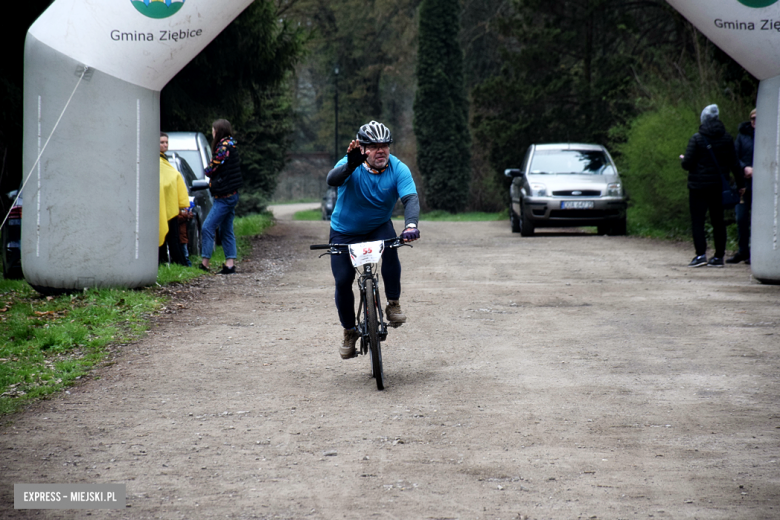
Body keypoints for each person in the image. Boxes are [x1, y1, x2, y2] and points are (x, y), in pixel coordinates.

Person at [326, 120, 420, 359]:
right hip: (344, 230)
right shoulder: (351, 163)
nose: (381, 150)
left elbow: (410, 199)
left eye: (385, 145)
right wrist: (349, 165)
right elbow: (332, 180)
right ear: (363, 149)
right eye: (374, 146)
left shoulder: (398, 168)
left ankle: (394, 303)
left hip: (378, 227)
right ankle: (349, 331)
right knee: (343, 279)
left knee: (391, 248)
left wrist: (410, 226)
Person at [681, 104, 743, 268]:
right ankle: (718, 257)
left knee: (698, 221)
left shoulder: (697, 139)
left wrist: (683, 159)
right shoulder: (727, 139)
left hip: (698, 188)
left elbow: (687, 163)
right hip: (718, 187)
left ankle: (701, 255)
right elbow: (734, 164)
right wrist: (740, 184)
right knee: (718, 221)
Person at [200, 119, 243, 275]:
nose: (212, 133)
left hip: (224, 196)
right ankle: (230, 264)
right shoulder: (232, 144)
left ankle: (204, 264)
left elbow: (212, 169)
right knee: (226, 230)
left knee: (207, 227)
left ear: (218, 131)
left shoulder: (222, 148)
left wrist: (207, 170)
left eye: (213, 130)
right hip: (231, 194)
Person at [727, 108, 755, 264]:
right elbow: (734, 157)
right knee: (741, 217)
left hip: (762, 184)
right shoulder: (742, 137)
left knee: (758, 219)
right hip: (743, 183)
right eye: (752, 118)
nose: (754, 121)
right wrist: (745, 168)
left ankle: (756, 251)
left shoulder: (770, 135)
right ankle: (743, 250)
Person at [159, 132, 189, 266]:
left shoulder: (164, 159)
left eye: (166, 142)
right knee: (170, 237)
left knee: (174, 236)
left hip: (168, 203)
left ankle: (173, 262)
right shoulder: (158, 161)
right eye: (162, 142)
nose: (165, 145)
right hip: (163, 203)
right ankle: (170, 262)